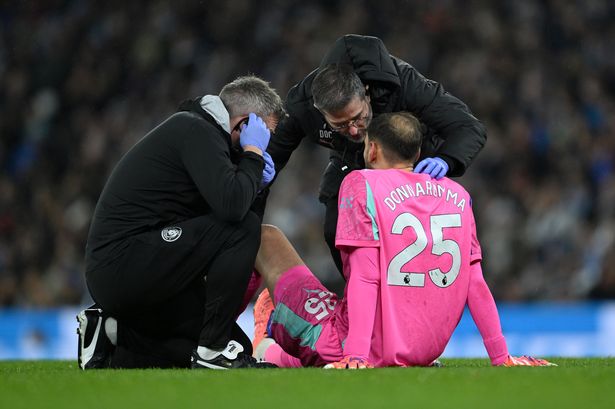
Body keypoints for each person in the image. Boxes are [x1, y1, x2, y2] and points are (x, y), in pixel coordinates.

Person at [251, 112, 554, 368]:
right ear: (417, 154)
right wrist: (501, 357)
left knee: (266, 236)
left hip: (353, 342)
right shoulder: (459, 195)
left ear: (372, 149)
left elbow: (366, 276)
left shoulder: (361, 183)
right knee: (335, 321)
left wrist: (356, 356)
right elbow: (475, 283)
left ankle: (252, 346)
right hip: (422, 352)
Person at [77, 75, 284, 370]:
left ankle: (111, 334)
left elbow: (233, 225)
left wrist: (257, 185)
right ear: (243, 125)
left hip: (150, 269)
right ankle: (212, 352)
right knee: (241, 228)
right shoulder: (195, 130)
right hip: (122, 263)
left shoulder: (211, 141)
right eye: (264, 134)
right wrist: (251, 156)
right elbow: (235, 212)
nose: (264, 145)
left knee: (238, 344)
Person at [261, 34, 487, 274]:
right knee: (335, 230)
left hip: (410, 162)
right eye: (340, 125)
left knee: (407, 233)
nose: (354, 129)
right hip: (351, 160)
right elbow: (275, 152)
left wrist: (446, 159)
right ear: (320, 111)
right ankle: (359, 296)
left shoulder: (404, 83)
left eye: (358, 117)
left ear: (366, 91)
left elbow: (469, 127)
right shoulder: (302, 105)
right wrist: (257, 174)